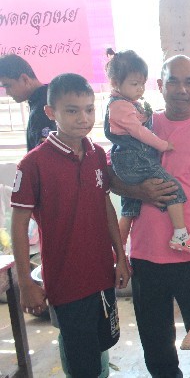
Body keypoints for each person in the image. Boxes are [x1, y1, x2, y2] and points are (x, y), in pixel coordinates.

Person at [109, 55, 190, 377]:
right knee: (156, 344)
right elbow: (110, 176)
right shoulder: (138, 124)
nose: (181, 89)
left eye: (189, 82)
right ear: (159, 85)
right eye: (173, 82)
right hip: (146, 255)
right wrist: (140, 191)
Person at [10, 73, 130, 377]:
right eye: (72, 110)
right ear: (51, 112)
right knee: (81, 361)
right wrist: (25, 283)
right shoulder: (33, 164)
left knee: (102, 345)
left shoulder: (97, 154)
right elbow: (18, 226)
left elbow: (105, 208)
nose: (83, 118)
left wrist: (120, 256)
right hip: (66, 281)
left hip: (101, 274)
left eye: (89, 109)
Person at [104, 50, 190, 253]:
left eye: (141, 84)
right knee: (173, 189)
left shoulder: (127, 105)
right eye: (134, 84)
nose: (139, 89)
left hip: (128, 161)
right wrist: (162, 145)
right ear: (115, 83)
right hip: (136, 161)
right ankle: (181, 235)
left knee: (129, 209)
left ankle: (117, 253)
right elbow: (139, 133)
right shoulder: (120, 107)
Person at [0, 54, 56, 151]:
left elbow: (45, 156)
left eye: (8, 86)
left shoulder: (42, 109)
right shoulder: (48, 98)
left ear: (25, 79)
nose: (7, 92)